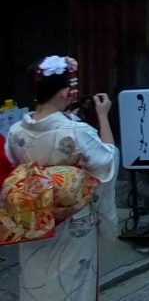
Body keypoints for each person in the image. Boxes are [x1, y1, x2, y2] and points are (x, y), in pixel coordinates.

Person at [7, 57, 118, 301]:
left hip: (35, 219)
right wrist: (103, 116)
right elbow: (107, 164)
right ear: (64, 92)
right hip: (73, 222)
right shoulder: (77, 132)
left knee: (36, 280)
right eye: (71, 86)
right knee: (73, 285)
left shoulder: (16, 132)